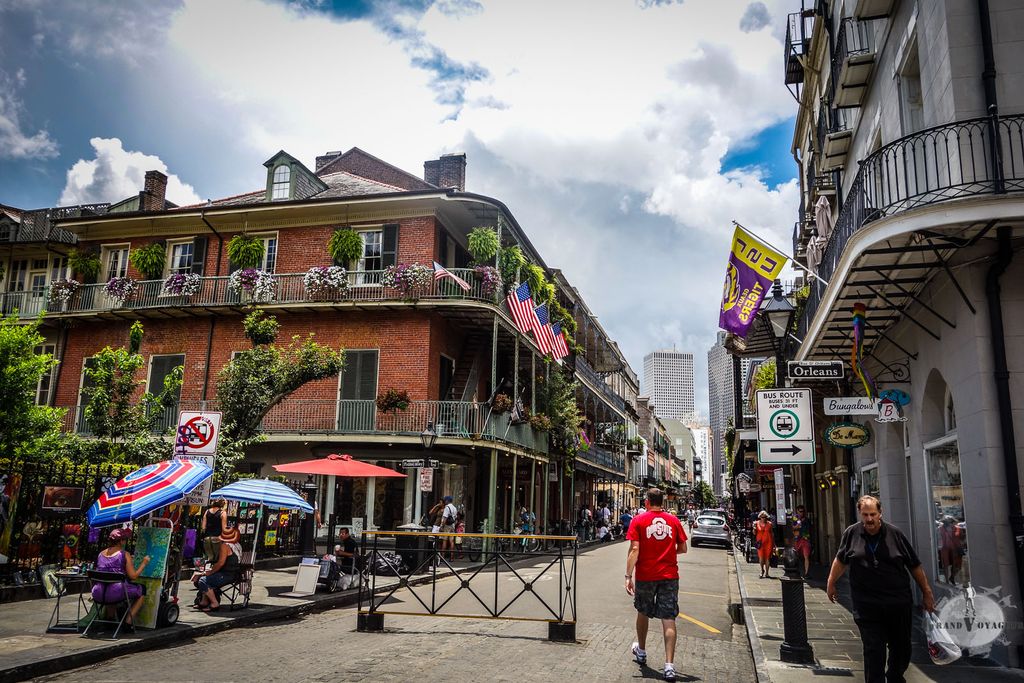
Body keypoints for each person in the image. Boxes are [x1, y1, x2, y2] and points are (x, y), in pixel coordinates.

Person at [826, 495, 935, 683]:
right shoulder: (852, 533)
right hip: (866, 605)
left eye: (873, 514)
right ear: (860, 513)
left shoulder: (895, 534)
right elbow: (841, 560)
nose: (869, 519)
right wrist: (831, 582)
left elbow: (914, 565)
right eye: (865, 514)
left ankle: (894, 676)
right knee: (873, 649)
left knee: (901, 649)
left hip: (897, 604)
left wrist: (927, 592)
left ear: (880, 513)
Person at [625, 488, 688, 682]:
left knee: (642, 611)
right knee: (668, 618)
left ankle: (642, 651)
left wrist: (628, 575)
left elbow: (635, 549)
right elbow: (683, 548)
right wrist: (667, 554)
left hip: (646, 575)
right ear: (663, 502)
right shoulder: (674, 520)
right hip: (669, 575)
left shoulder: (638, 521)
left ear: (646, 502)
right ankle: (669, 665)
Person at [93, 527, 150, 625]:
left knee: (110, 585)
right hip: (115, 593)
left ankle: (110, 619)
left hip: (98, 593)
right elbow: (133, 576)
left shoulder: (101, 554)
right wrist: (144, 563)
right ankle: (128, 622)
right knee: (142, 589)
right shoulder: (123, 554)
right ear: (121, 541)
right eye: (124, 540)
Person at [194, 527, 243, 612]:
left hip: (227, 575)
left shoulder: (225, 546)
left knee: (203, 580)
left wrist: (209, 572)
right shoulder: (237, 545)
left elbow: (220, 563)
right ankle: (204, 601)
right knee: (207, 578)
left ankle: (214, 603)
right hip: (235, 574)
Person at [937, 516, 963, 585]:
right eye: (947, 521)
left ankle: (952, 577)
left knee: (955, 565)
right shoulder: (940, 529)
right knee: (945, 565)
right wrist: (939, 547)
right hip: (944, 549)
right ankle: (947, 581)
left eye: (950, 521)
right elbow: (939, 539)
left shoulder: (955, 528)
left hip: (954, 548)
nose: (949, 523)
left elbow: (959, 537)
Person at [790, 506, 813, 577]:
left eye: (803, 511)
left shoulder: (807, 519)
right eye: (800, 511)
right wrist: (797, 526)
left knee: (806, 556)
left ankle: (807, 573)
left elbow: (810, 529)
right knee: (797, 556)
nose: (801, 513)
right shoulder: (794, 518)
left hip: (805, 539)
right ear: (797, 511)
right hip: (797, 539)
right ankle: (797, 571)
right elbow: (791, 528)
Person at [754, 510, 774, 578]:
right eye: (762, 517)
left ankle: (767, 573)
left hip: (768, 542)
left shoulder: (770, 524)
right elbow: (754, 533)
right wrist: (753, 528)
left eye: (765, 517)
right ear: (760, 517)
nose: (763, 518)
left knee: (767, 557)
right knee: (761, 558)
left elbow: (772, 533)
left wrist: (774, 544)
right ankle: (762, 570)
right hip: (760, 543)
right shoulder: (756, 523)